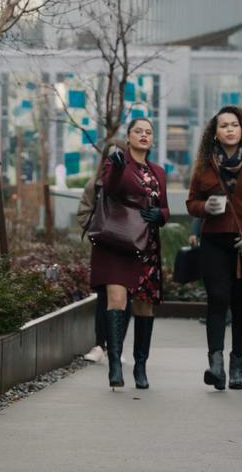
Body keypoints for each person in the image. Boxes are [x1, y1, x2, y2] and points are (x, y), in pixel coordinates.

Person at [186, 105, 242, 391]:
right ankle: (216, 366)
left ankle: (237, 367)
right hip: (214, 242)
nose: (230, 129)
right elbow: (191, 203)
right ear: (215, 133)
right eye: (224, 125)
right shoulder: (204, 166)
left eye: (234, 124)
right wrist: (204, 207)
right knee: (217, 299)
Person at [90, 118, 169, 390]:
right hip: (116, 243)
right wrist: (117, 169)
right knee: (116, 299)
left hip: (146, 245)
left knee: (144, 305)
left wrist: (161, 214)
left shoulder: (158, 171)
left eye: (149, 132)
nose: (144, 135)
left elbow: (165, 208)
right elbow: (109, 189)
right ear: (128, 136)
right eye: (139, 131)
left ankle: (140, 366)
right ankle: (114, 364)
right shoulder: (117, 163)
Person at [78, 139, 130, 364]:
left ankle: (116, 347)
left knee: (126, 297)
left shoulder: (134, 182)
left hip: (129, 247)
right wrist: (95, 230)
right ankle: (100, 344)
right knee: (102, 297)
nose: (115, 158)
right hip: (103, 247)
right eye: (111, 155)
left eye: (120, 154)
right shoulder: (95, 185)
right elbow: (83, 213)